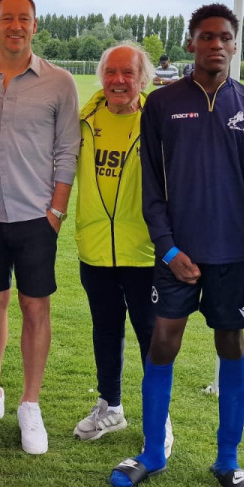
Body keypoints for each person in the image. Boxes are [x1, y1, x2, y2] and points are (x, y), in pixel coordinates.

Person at [109, 4, 244, 487]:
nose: (215, 45)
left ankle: (228, 460)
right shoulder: (162, 104)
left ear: (235, 44)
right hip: (176, 253)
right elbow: (151, 184)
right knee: (163, 343)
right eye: (205, 37)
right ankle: (153, 452)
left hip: (233, 255)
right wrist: (168, 247)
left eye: (224, 37)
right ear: (190, 43)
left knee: (231, 347)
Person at [0, 0, 80, 455]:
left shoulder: (59, 83)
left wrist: (56, 211)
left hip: (37, 217)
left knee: (35, 308)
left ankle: (30, 404)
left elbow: (67, 151)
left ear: (35, 26)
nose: (16, 26)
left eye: (24, 19)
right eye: (7, 18)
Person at [72, 43, 157, 445]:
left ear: (143, 79)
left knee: (150, 335)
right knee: (106, 330)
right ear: (101, 76)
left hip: (144, 250)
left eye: (128, 73)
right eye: (111, 73)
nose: (118, 81)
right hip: (95, 248)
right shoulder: (85, 116)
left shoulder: (157, 119)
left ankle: (158, 418)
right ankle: (111, 407)